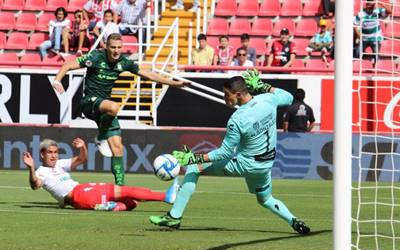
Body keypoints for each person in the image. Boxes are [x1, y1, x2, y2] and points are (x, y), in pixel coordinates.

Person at [149, 70, 310, 234]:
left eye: (227, 95)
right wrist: (263, 86)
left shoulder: (237, 119)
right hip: (265, 166)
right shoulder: (267, 99)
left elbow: (225, 153)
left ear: (238, 94)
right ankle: (295, 221)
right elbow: (289, 98)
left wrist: (193, 158)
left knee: (195, 167)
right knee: (266, 199)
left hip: (246, 164)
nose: (225, 98)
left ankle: (174, 217)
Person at [52, 33, 189, 186]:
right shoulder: (96, 57)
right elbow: (68, 65)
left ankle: (120, 187)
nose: (116, 51)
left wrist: (173, 83)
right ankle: (101, 136)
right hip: (89, 103)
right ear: (106, 47)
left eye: (119, 47)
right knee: (114, 106)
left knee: (117, 148)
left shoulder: (124, 62)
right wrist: (57, 80)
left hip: (105, 111)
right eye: (113, 47)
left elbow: (148, 75)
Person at [22, 138, 179, 211]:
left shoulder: (59, 164)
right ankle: (166, 196)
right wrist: (31, 168)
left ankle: (108, 207)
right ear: (42, 154)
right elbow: (35, 185)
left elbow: (82, 159)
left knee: (132, 203)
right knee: (126, 190)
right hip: (79, 194)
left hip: (82, 192)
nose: (54, 156)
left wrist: (83, 147)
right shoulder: (40, 172)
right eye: (50, 153)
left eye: (55, 152)